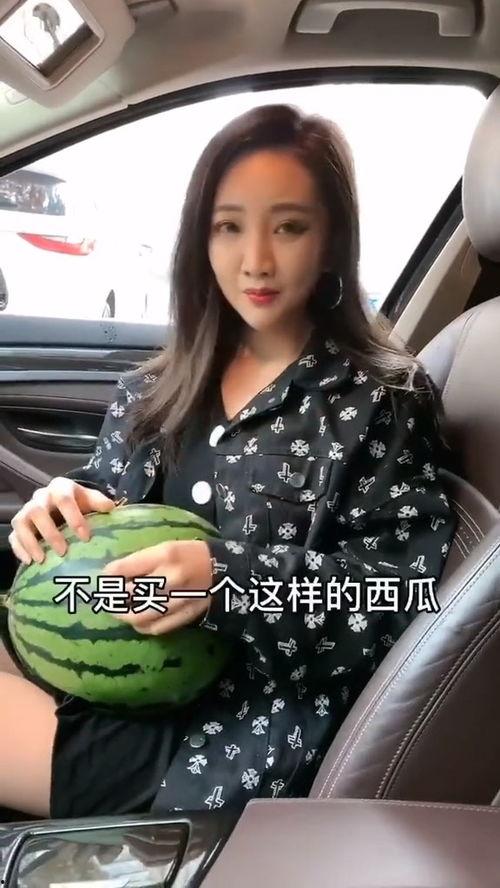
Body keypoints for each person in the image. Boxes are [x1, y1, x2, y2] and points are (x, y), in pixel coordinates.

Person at [0, 103, 456, 820]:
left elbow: (397, 598)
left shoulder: (380, 399)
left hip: (230, 733)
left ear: (332, 242)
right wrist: (61, 505)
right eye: (229, 227)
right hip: (112, 664)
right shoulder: (156, 386)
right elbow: (108, 499)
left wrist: (228, 580)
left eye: (290, 227)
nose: (257, 261)